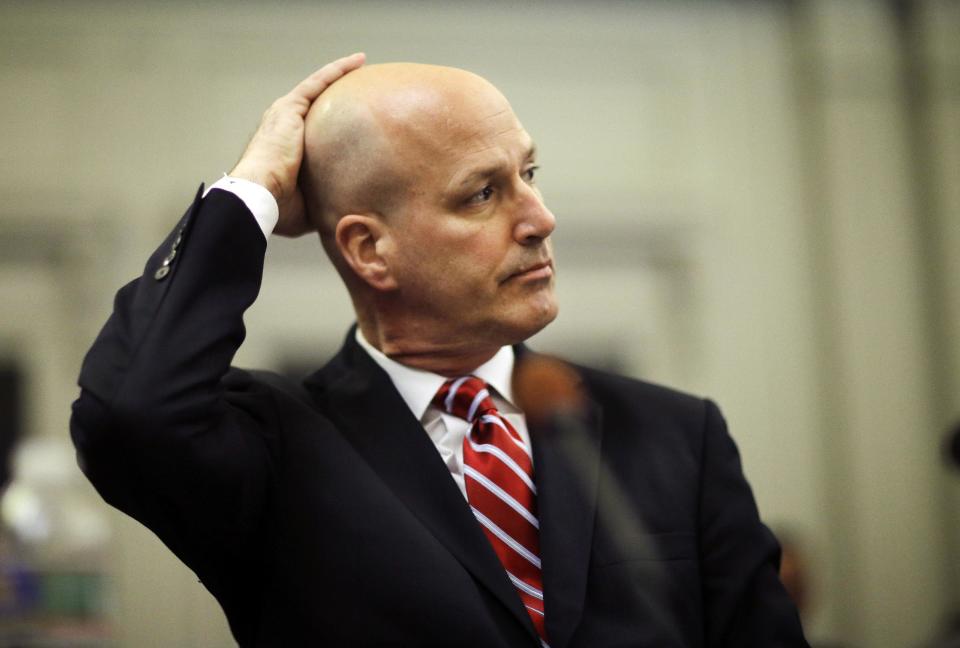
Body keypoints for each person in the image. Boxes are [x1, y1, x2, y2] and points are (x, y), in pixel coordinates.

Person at [69, 53, 809, 647]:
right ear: (369, 249)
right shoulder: (276, 452)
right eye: (481, 195)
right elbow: (130, 412)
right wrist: (251, 193)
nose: (540, 218)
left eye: (528, 174)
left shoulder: (679, 434)